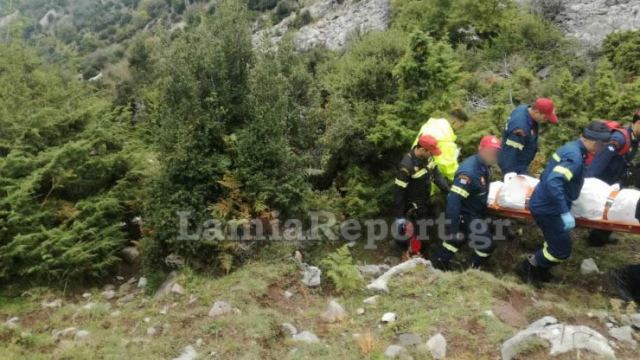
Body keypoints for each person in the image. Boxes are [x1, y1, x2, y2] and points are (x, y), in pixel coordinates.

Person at [516, 121, 612, 286]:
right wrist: (563, 211)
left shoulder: (572, 148)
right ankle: (528, 267)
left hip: (546, 202)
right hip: (549, 208)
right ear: (596, 143)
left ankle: (540, 271)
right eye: (601, 146)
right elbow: (554, 182)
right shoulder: (574, 157)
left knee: (553, 241)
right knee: (561, 250)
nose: (600, 150)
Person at [432, 135, 502, 270]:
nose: (493, 155)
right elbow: (453, 200)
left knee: (455, 240)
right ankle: (473, 270)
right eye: (490, 151)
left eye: (495, 152)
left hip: (473, 212)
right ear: (480, 149)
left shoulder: (484, 165)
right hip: (466, 216)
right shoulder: (469, 172)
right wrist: (452, 226)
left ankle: (438, 265)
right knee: (487, 245)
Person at [584, 112, 640, 246]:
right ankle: (595, 239)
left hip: (613, 181)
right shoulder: (619, 139)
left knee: (613, 210)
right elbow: (598, 162)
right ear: (638, 123)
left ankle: (598, 238)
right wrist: (587, 182)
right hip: (600, 182)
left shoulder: (635, 140)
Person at [393, 134, 451, 256]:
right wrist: (399, 216)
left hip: (424, 202)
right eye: (431, 152)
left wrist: (448, 191)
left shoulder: (428, 158)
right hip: (412, 207)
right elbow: (399, 192)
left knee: (423, 232)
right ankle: (410, 255)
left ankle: (419, 250)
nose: (433, 155)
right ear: (423, 149)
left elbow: (436, 175)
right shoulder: (406, 166)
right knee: (413, 234)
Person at [498, 98, 559, 175]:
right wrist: (511, 176)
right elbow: (510, 154)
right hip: (514, 167)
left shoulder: (524, 108)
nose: (546, 120)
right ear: (537, 112)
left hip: (521, 163)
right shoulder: (520, 129)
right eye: (545, 117)